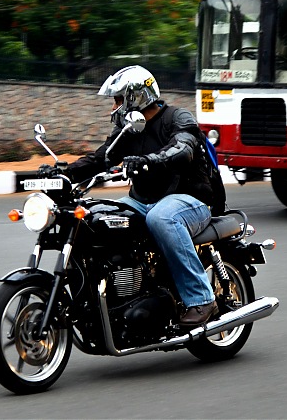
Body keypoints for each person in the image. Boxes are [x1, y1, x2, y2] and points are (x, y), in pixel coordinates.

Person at [59, 65, 218, 326]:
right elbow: (103, 157)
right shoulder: (130, 128)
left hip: (189, 200)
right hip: (142, 201)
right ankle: (114, 298)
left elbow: (182, 149)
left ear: (136, 96)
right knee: (94, 219)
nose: (114, 107)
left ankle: (201, 298)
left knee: (161, 218)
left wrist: (149, 160)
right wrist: (64, 173)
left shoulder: (178, 117)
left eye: (119, 100)